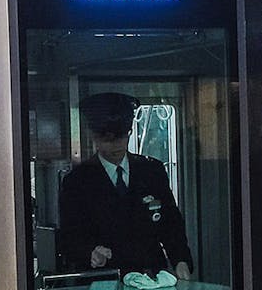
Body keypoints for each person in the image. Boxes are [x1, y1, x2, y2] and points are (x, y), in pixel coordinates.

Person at [58, 93, 193, 280]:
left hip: (151, 276)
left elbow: (171, 224)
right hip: (104, 280)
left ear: (129, 132)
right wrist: (90, 252)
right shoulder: (77, 181)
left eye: (121, 137)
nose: (115, 146)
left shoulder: (152, 170)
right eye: (107, 139)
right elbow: (69, 238)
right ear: (93, 136)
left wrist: (181, 260)